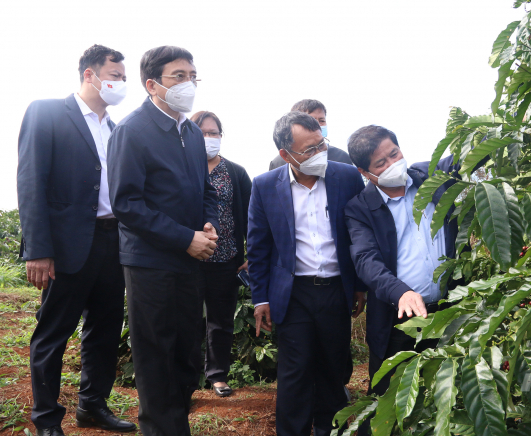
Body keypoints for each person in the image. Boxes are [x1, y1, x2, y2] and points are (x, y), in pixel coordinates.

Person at [17, 45, 135, 436]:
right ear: (90, 75)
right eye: (115, 75)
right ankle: (47, 419)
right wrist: (39, 249)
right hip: (66, 246)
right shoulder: (48, 112)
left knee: (104, 329)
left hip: (111, 243)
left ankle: (92, 405)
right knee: (53, 333)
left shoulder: (116, 129)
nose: (120, 83)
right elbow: (31, 181)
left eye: (122, 77)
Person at [107, 46, 219, 436]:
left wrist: (206, 225)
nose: (188, 83)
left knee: (187, 354)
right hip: (151, 262)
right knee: (156, 356)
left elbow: (205, 190)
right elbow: (126, 203)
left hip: (190, 259)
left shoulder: (189, 130)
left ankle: (176, 425)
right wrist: (183, 237)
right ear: (152, 84)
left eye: (192, 75)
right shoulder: (132, 131)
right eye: (178, 76)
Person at [248, 111, 366, 436]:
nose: (319, 154)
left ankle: (330, 430)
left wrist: (358, 285)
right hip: (294, 293)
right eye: (309, 150)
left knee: (333, 368)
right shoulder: (265, 187)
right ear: (286, 155)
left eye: (321, 145)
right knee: (295, 372)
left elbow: (359, 235)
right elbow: (258, 248)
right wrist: (260, 298)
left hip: (335, 289)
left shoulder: (346, 177)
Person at [344, 125, 462, 403]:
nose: (393, 164)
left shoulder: (432, 176)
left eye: (394, 154)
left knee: (447, 394)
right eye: (381, 163)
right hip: (398, 321)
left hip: (450, 310)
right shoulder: (360, 208)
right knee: (389, 399)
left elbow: (469, 152)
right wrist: (401, 292)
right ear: (365, 173)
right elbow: (365, 260)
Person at [190, 111, 252, 398]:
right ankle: (187, 377)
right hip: (188, 260)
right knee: (187, 320)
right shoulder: (183, 170)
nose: (209, 138)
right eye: (202, 132)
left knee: (221, 320)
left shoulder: (235, 173)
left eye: (214, 132)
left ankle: (217, 376)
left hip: (226, 259)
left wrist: (250, 252)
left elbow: (252, 216)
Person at [268, 99, 353, 170]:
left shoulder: (341, 157)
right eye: (311, 120)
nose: (317, 125)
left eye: (322, 120)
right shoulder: (277, 163)